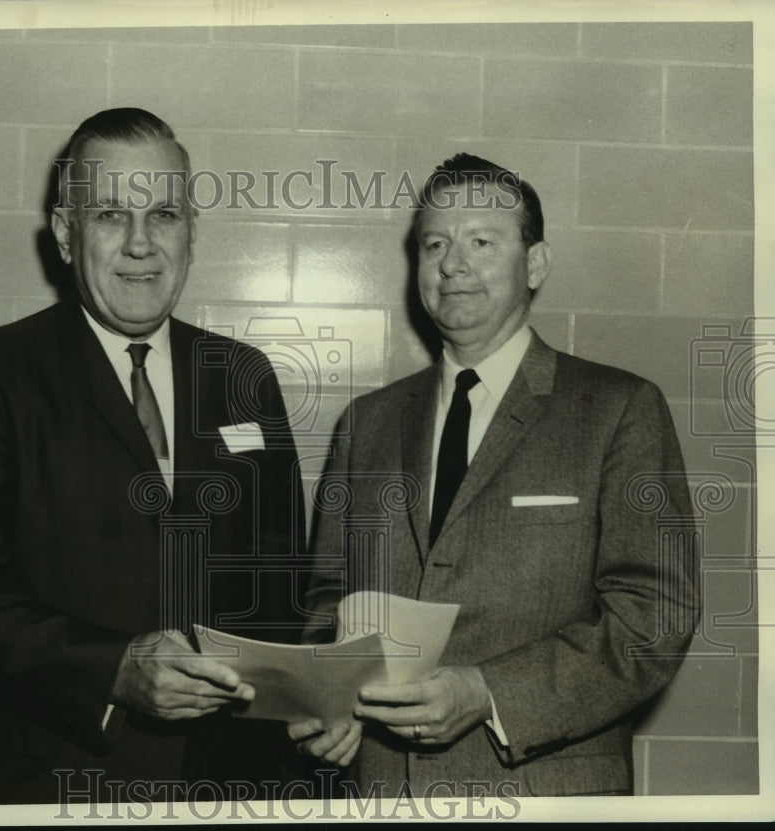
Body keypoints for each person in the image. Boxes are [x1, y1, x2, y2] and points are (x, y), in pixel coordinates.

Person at [0, 108, 307, 804]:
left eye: (165, 214)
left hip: (226, 781)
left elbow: (281, 580)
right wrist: (111, 669)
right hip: (43, 781)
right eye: (113, 214)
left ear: (192, 233)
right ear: (65, 233)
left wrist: (317, 696)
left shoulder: (243, 375)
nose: (142, 243)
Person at [289, 154, 697, 797]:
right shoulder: (365, 423)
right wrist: (329, 697)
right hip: (381, 793)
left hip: (545, 794)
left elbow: (654, 619)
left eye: (482, 241)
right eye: (435, 244)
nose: (453, 264)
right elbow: (325, 600)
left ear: (534, 264)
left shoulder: (618, 409)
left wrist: (488, 692)